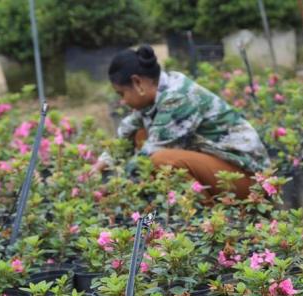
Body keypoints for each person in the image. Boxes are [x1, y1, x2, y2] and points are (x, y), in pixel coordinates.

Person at [91, 45, 270, 199]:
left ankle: (205, 220)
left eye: (122, 94)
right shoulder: (159, 92)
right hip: (223, 168)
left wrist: (111, 190)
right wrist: (99, 166)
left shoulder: (178, 98)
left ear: (137, 83)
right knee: (140, 134)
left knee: (160, 160)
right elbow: (127, 130)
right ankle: (160, 214)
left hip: (251, 180)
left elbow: (147, 158)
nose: (123, 101)